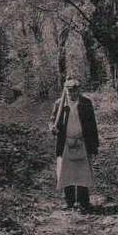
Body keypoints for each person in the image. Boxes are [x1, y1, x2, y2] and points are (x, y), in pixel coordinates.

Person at [49, 77, 99, 213]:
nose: (72, 94)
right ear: (66, 91)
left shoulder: (86, 103)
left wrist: (94, 145)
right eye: (70, 91)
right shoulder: (59, 104)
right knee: (67, 173)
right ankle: (69, 202)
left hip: (82, 142)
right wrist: (52, 128)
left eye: (75, 90)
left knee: (82, 173)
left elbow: (92, 125)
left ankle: (84, 202)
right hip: (65, 143)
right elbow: (53, 120)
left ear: (79, 90)